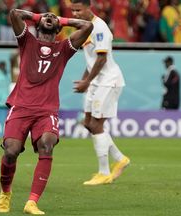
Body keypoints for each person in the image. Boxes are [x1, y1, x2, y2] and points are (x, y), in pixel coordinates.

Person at [0, 8, 93, 214]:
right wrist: (43, 17)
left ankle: (32, 202)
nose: (49, 18)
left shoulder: (64, 48)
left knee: (47, 147)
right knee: (11, 152)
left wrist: (60, 19)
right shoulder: (27, 41)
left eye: (53, 18)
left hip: (46, 110)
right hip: (21, 107)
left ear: (58, 28)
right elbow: (14, 14)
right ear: (37, 24)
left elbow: (87, 25)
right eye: (44, 17)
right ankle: (5, 193)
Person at [70, 0, 130, 186]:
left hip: (108, 82)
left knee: (96, 124)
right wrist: (85, 81)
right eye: (73, 10)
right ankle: (120, 159)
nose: (75, 14)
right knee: (88, 123)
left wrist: (87, 82)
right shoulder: (86, 29)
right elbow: (91, 60)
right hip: (96, 82)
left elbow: (102, 59)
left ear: (89, 8)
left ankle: (104, 172)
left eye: (78, 10)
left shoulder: (100, 28)